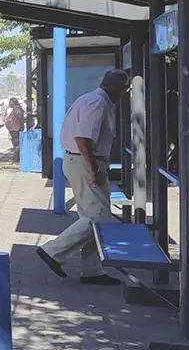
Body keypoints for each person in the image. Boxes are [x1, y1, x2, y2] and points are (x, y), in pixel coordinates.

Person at [36, 69, 130, 285]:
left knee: (92, 215)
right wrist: (92, 167)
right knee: (98, 217)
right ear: (117, 87)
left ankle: (92, 270)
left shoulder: (92, 99)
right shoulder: (98, 103)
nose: (124, 93)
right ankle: (52, 251)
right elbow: (82, 137)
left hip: (82, 160)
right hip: (84, 161)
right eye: (124, 89)